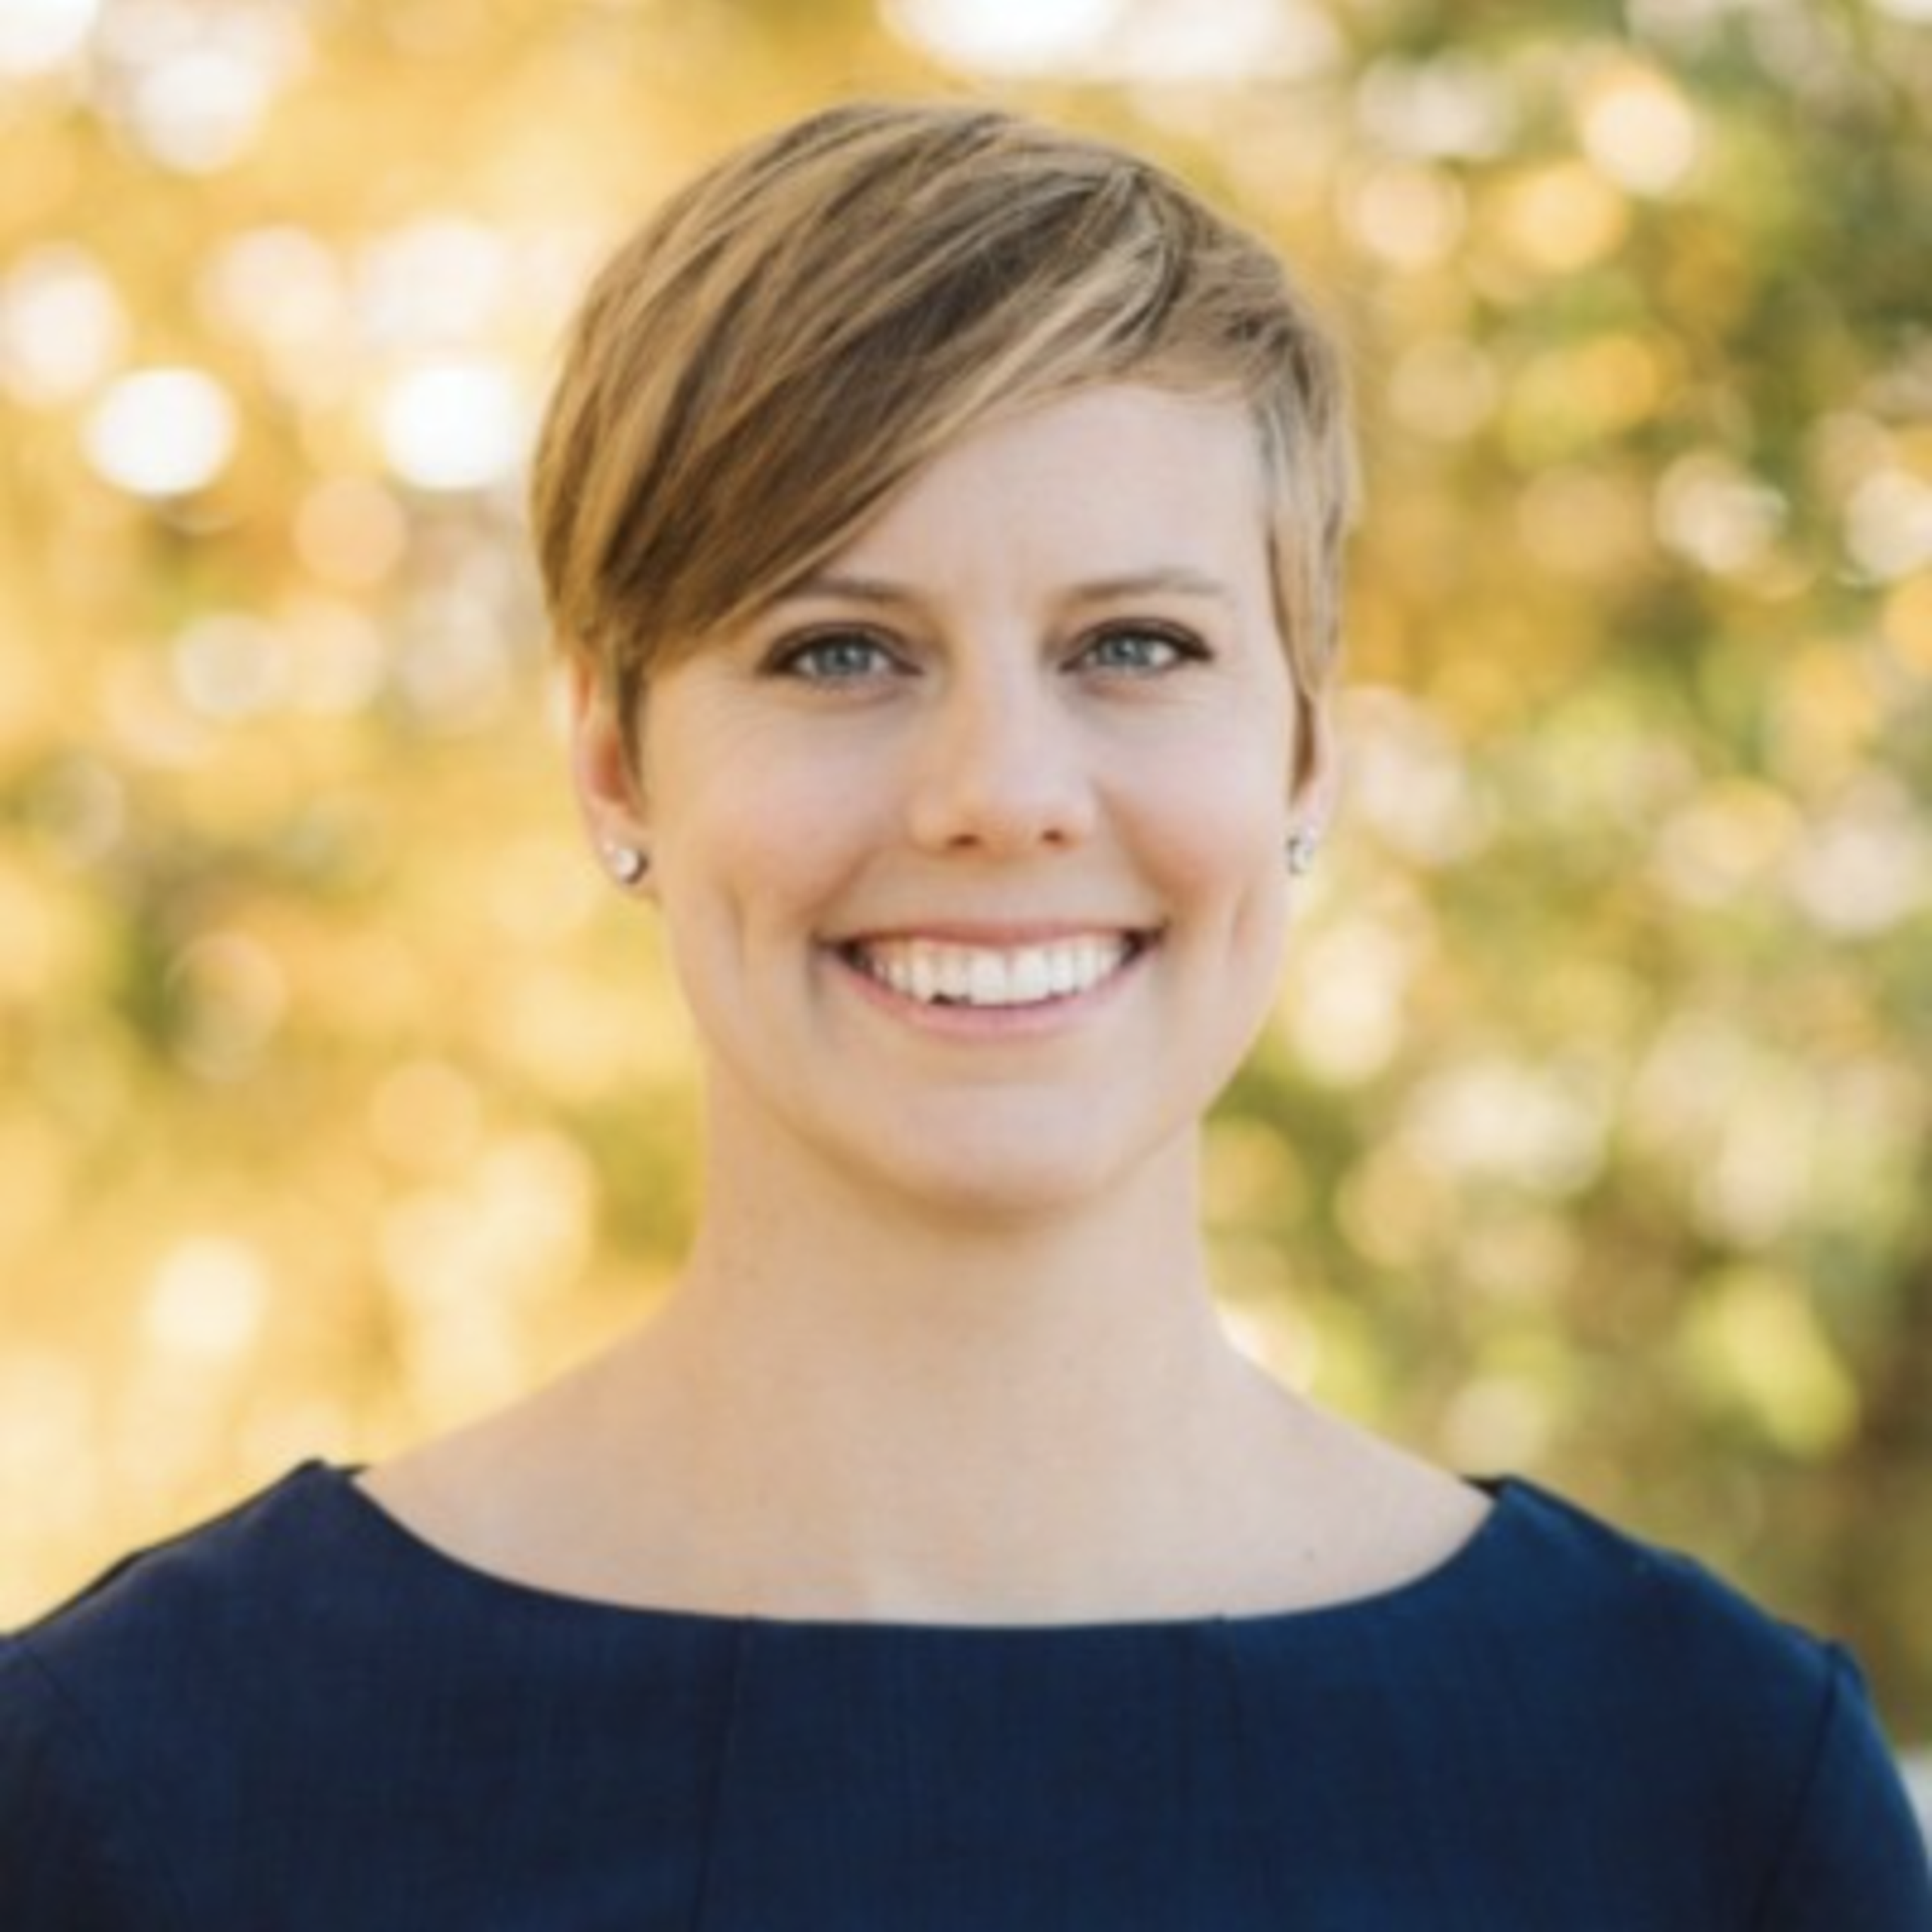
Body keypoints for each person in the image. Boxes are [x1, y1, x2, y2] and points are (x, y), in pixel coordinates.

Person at [2, 99, 1926, 1929]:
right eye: (839, 648)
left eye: (1133, 646)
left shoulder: (1705, 1792)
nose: (1000, 788)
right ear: (612, 760)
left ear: (1306, 750)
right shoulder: (126, 1784)